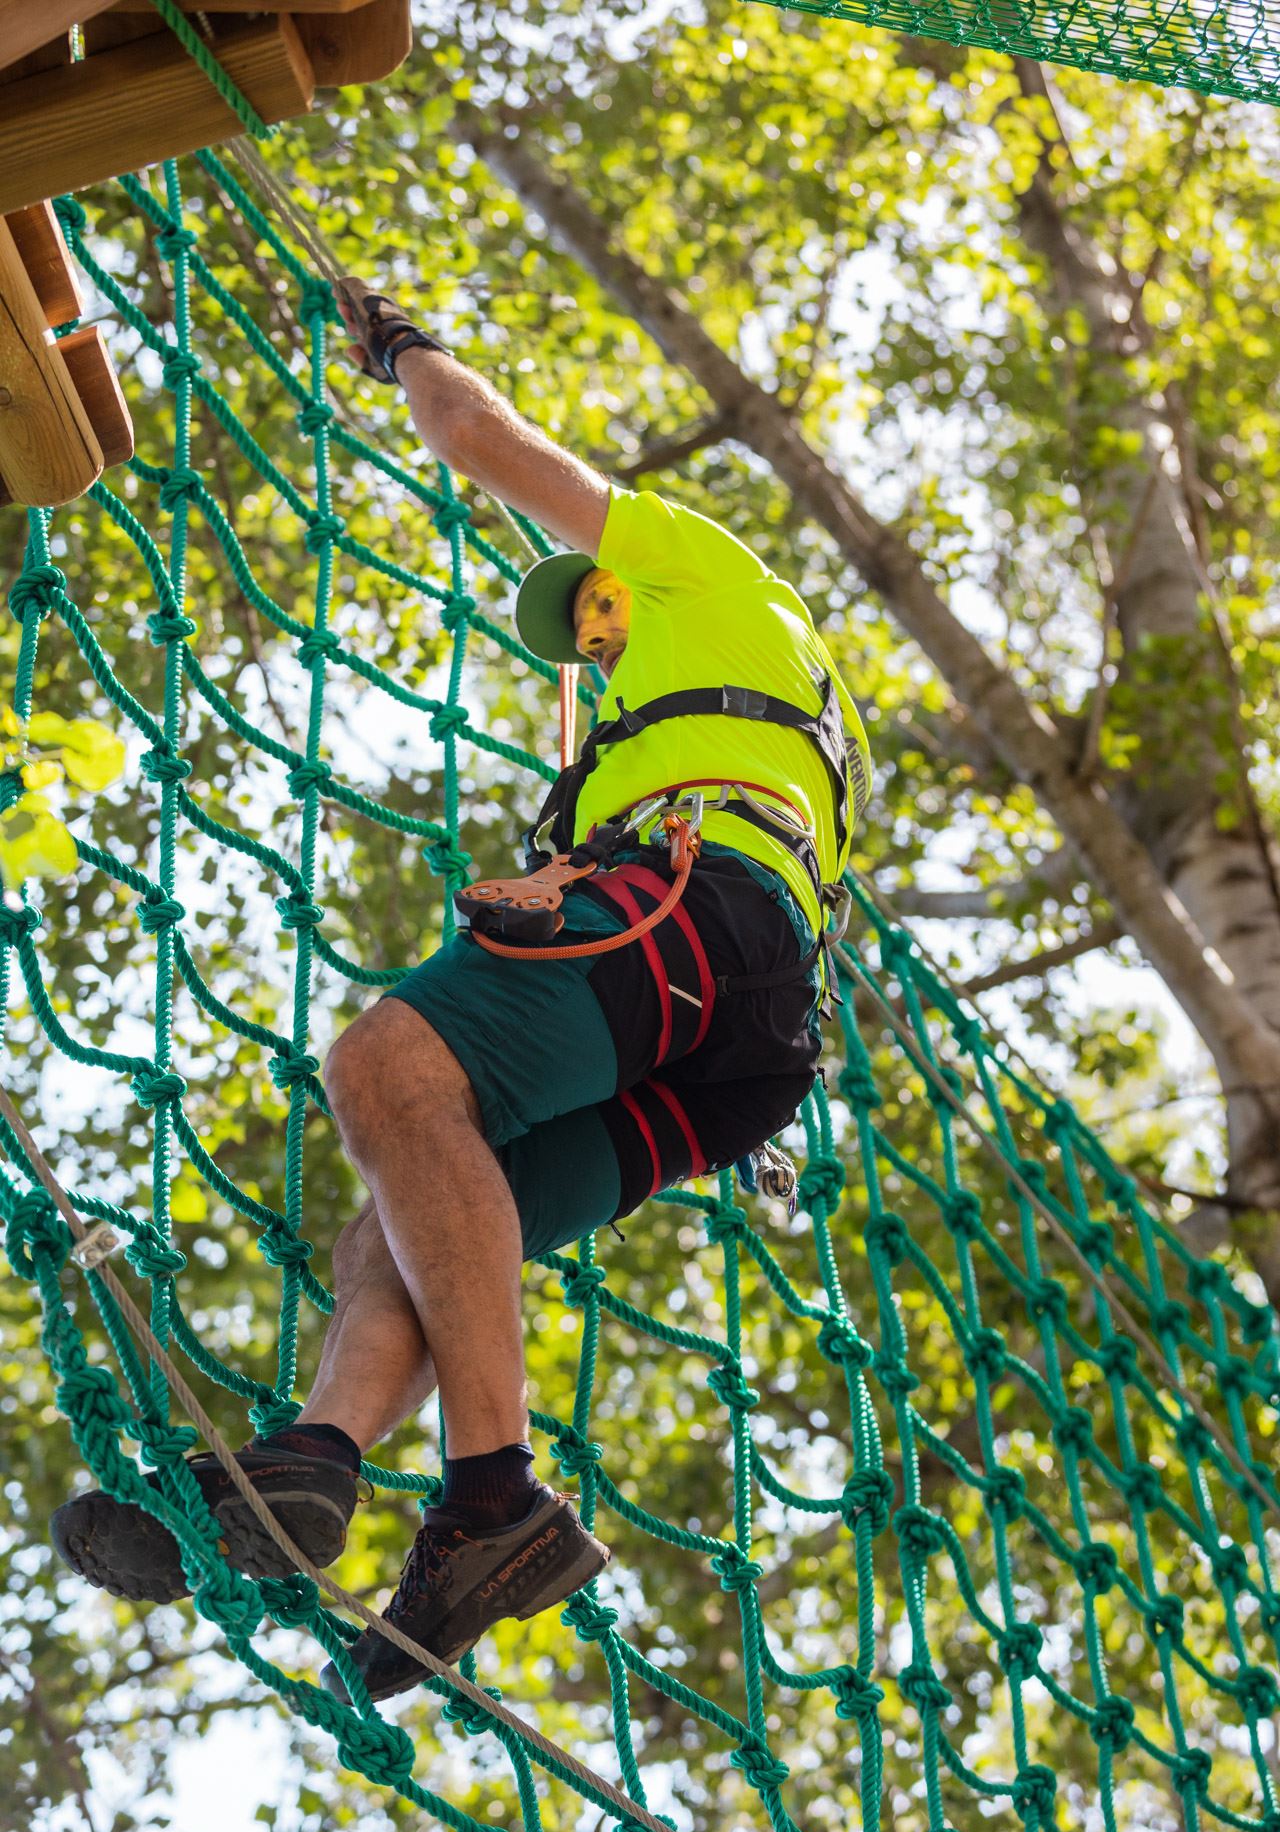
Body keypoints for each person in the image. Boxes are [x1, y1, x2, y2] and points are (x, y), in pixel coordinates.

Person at [49, 281, 871, 1705]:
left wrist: (404, 345)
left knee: (386, 1070)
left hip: (703, 924)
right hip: (743, 1034)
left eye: (600, 605)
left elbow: (480, 439)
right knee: (412, 1231)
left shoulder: (724, 589)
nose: (597, 632)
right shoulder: (686, 741)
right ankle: (317, 1463)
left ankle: (496, 1496)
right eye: (587, 631)